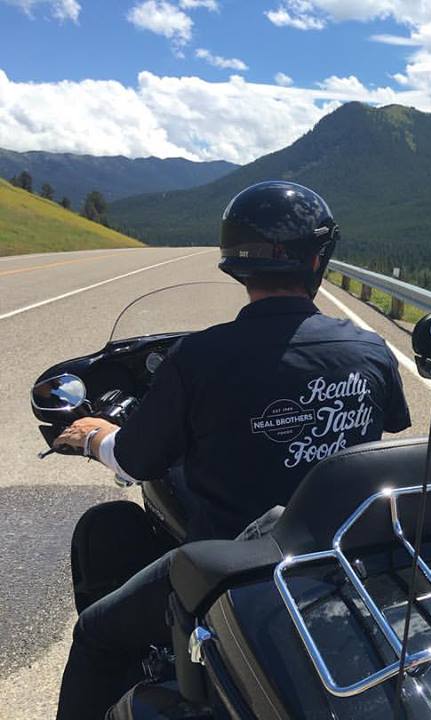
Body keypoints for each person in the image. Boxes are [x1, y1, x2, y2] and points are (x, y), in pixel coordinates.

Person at [52, 180, 411, 719]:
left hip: (232, 570)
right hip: (344, 554)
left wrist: (93, 436)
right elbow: (388, 424)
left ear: (236, 265)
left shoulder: (198, 357)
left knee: (96, 634)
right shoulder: (369, 346)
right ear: (318, 259)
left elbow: (135, 461)